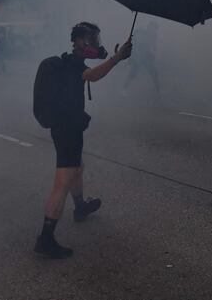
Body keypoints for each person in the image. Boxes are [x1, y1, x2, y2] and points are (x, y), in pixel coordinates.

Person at [35, 22, 132, 259]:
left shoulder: (71, 61)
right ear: (78, 41)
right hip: (67, 129)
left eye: (96, 38)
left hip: (70, 127)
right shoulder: (71, 65)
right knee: (63, 181)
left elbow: (87, 74)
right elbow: (92, 76)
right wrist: (117, 58)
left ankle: (80, 207)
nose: (95, 43)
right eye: (90, 38)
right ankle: (45, 238)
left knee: (78, 167)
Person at [123, 21, 161, 94]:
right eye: (153, 28)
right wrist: (133, 56)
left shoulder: (154, 36)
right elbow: (135, 43)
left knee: (154, 73)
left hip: (147, 57)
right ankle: (124, 88)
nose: (154, 31)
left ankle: (158, 90)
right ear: (149, 28)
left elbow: (153, 47)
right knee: (133, 73)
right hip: (139, 57)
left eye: (155, 29)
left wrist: (152, 53)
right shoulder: (141, 33)